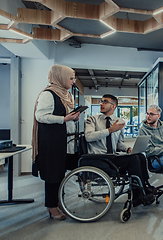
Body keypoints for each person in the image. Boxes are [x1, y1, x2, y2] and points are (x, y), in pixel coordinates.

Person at [85, 94, 155, 207]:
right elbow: (88, 137)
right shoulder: (92, 120)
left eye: (105, 102)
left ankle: (145, 185)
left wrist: (127, 148)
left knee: (140, 156)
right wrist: (109, 130)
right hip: (98, 158)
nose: (101, 104)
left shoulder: (119, 121)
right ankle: (137, 194)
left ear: (113, 106)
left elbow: (118, 143)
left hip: (112, 157)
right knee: (134, 160)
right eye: (101, 102)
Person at [32, 65, 81, 220]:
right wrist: (64, 118)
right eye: (71, 78)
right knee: (52, 175)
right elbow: (40, 116)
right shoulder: (48, 94)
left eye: (74, 78)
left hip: (62, 140)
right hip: (51, 142)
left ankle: (57, 201)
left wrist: (74, 117)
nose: (73, 81)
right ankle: (51, 206)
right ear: (60, 77)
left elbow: (65, 116)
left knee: (59, 173)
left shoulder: (65, 95)